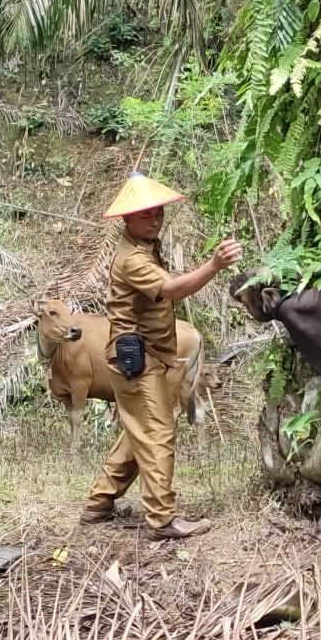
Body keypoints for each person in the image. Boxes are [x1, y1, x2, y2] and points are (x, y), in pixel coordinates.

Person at [80, 171, 242, 539]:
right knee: (157, 432)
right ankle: (162, 520)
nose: (155, 220)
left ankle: (98, 503)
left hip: (150, 356)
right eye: (146, 215)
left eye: (159, 213)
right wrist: (214, 265)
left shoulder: (145, 246)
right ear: (127, 219)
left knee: (140, 431)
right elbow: (170, 290)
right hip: (138, 360)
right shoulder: (132, 260)